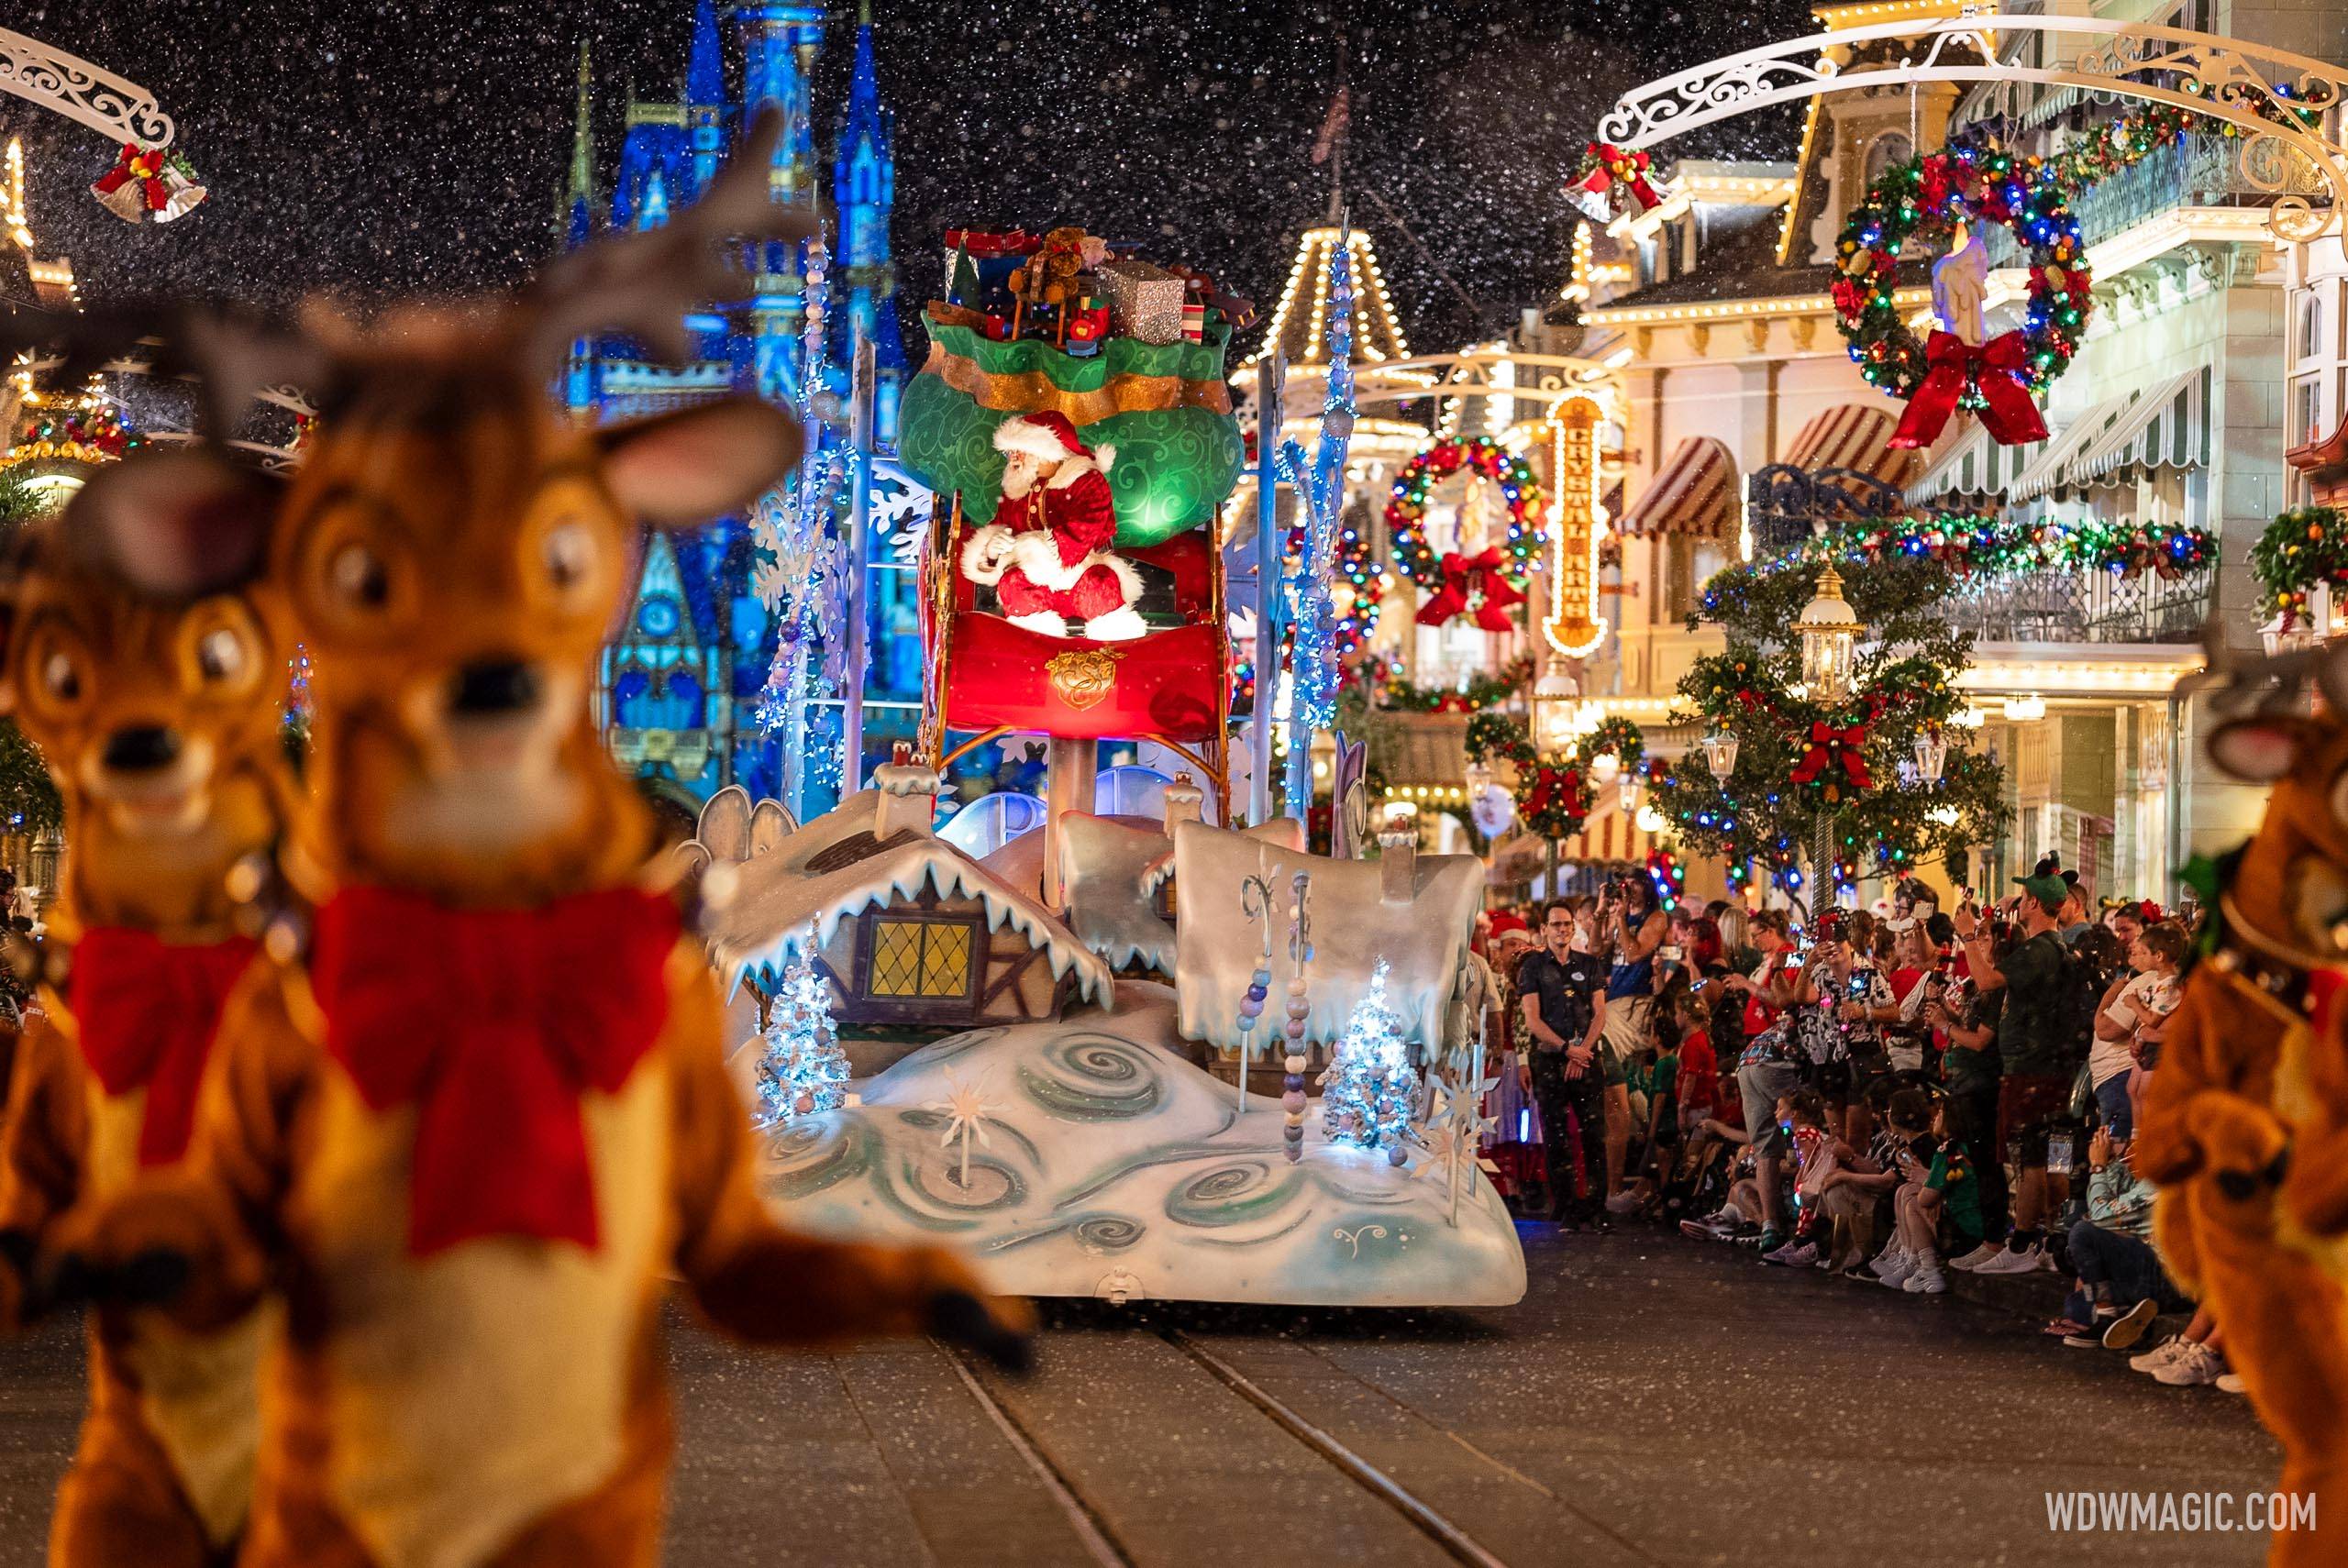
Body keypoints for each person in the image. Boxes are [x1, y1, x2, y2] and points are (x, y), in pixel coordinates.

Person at [1954, 874, 2082, 1274]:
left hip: (2031, 1072)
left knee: (2031, 1158)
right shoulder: (2058, 947)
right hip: (2058, 1071)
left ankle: (2024, 1239)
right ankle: (2052, 1234)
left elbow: (1988, 980)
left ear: (2032, 903)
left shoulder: (2041, 948)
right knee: (2055, 1154)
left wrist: (1968, 937)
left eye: (2025, 897)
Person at [1517, 900, 1611, 1229]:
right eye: (1555, 924)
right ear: (1544, 929)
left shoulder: (1589, 963)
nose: (1562, 929)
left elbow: (1599, 1012)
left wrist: (1583, 1050)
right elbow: (1532, 1018)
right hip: (1551, 1060)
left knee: (1594, 1135)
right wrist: (1565, 1049)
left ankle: (1597, 1207)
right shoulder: (1532, 967)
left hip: (1585, 1059)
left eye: (1566, 924)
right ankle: (1567, 1206)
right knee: (1557, 1137)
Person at [1724, 910, 1810, 1252]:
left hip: (1769, 1055)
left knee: (1774, 1145)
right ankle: (1784, 1226)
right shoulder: (1778, 961)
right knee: (1785, 1141)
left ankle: (1775, 1226)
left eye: (1759, 933)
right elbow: (1786, 1000)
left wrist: (1752, 983)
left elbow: (1784, 1001)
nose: (1754, 940)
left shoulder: (1789, 958)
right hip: (1769, 1057)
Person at [1599, 875, 1667, 1214]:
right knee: (1618, 1097)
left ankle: (1628, 1181)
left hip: (1633, 1010)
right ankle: (1613, 1185)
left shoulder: (1655, 918)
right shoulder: (1618, 915)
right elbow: (1599, 951)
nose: (1626, 890)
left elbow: (1633, 952)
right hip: (1612, 1008)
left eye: (1632, 884)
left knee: (1625, 1097)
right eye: (1621, 884)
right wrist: (1604, 914)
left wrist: (1623, 920)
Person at [2088, 923, 2184, 1140]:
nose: (2134, 959)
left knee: (2118, 1151)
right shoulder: (2154, 980)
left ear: (2158, 956)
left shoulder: (2161, 982)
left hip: (2121, 1072)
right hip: (2131, 1064)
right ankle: (2136, 1139)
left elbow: (2106, 1030)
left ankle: (2137, 1144)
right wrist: (2141, 1033)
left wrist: (2111, 996)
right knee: (2135, 1091)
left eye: (2140, 952)